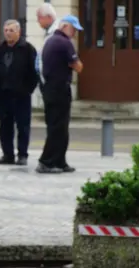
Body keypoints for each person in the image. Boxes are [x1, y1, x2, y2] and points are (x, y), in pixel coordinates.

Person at [37, 14, 84, 174]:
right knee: (58, 128)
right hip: (59, 90)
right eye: (74, 29)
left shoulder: (50, 41)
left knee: (58, 127)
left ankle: (59, 161)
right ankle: (47, 161)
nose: (75, 33)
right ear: (64, 27)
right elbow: (78, 66)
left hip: (50, 88)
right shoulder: (64, 43)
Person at [0, 20, 39, 166]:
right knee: (5, 125)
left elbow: (34, 72)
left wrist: (27, 89)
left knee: (23, 126)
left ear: (18, 32)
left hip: (21, 95)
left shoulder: (28, 49)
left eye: (11, 30)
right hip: (3, 95)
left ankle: (22, 155)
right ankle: (7, 154)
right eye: (6, 30)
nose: (8, 33)